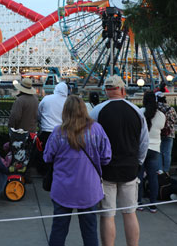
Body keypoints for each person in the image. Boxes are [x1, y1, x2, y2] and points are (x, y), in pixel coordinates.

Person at [44, 95, 112, 246]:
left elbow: (47, 157)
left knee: (59, 229)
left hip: (62, 188)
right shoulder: (97, 130)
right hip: (88, 188)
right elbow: (106, 157)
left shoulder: (57, 132)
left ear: (65, 111)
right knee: (90, 231)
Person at [89, 75, 149, 246]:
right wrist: (138, 162)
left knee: (107, 214)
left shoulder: (97, 111)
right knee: (130, 213)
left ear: (106, 91)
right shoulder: (136, 112)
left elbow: (91, 142)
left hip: (105, 169)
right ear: (123, 90)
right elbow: (143, 142)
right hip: (130, 168)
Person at [138, 91, 165, 212]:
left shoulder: (139, 112)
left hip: (141, 148)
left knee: (139, 176)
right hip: (155, 149)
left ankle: (139, 202)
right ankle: (153, 203)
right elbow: (162, 128)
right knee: (153, 177)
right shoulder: (161, 115)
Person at [38, 81, 69, 148]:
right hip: (62, 133)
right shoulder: (68, 101)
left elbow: (39, 112)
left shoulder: (47, 98)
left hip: (46, 132)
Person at [156, 91, 177, 174]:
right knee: (167, 153)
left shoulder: (156, 108)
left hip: (159, 132)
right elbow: (176, 119)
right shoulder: (171, 108)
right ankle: (166, 171)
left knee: (159, 152)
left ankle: (160, 170)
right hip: (170, 133)